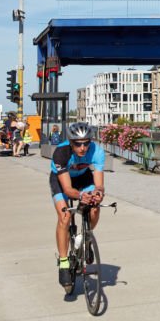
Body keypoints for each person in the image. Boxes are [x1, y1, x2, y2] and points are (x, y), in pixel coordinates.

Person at [50, 122, 106, 291]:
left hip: (83, 178)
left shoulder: (97, 151)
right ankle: (64, 262)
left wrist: (98, 193)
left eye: (86, 143)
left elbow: (99, 184)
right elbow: (67, 189)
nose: (82, 148)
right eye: (78, 144)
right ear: (70, 142)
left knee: (95, 207)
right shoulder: (61, 153)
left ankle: (86, 238)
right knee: (64, 216)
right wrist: (81, 196)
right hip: (62, 181)